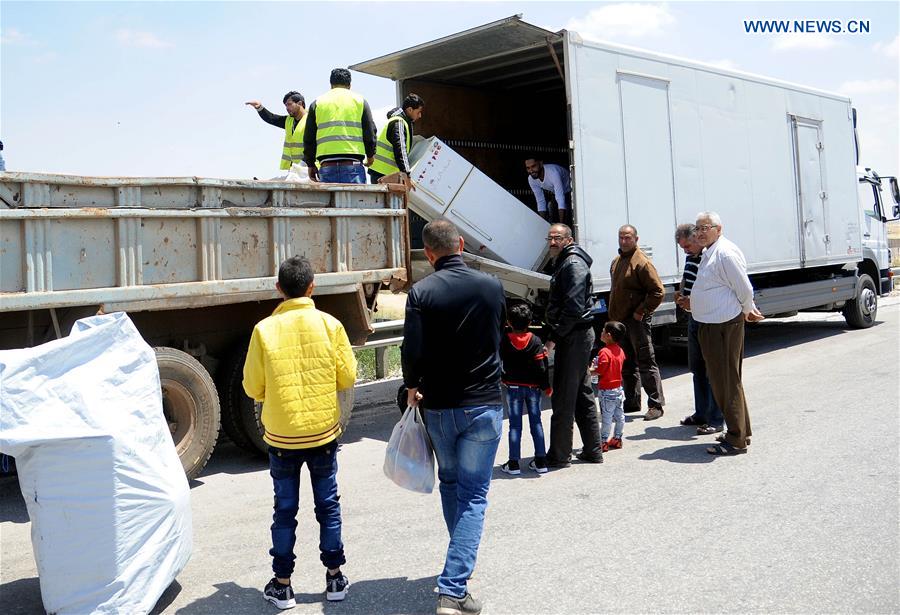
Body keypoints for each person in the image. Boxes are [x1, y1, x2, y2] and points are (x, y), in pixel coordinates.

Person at [401, 218, 505, 615]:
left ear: (428, 254)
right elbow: (495, 339)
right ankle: (454, 588)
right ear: (461, 244)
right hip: (483, 404)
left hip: (440, 406)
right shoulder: (491, 286)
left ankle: (458, 565)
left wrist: (412, 386)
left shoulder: (421, 292)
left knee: (451, 483)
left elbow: (412, 350)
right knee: (475, 493)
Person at [242, 256, 357, 609]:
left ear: (278, 289)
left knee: (284, 509)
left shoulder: (263, 330)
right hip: (323, 433)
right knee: (328, 506)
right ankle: (335, 577)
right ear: (312, 287)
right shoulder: (331, 325)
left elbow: (252, 387)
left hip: (281, 437)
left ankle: (282, 584)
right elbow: (348, 377)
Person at [688, 212, 764, 456]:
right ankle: (740, 431)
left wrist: (747, 309)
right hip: (712, 324)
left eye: (705, 228)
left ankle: (735, 440)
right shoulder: (710, 251)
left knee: (725, 382)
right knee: (726, 380)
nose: (699, 233)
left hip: (722, 325)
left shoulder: (725, 253)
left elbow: (743, 287)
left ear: (718, 229)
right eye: (697, 228)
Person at [543, 223, 604, 467]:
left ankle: (559, 455)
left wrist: (553, 337)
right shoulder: (566, 262)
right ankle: (593, 449)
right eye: (549, 238)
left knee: (564, 398)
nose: (552, 242)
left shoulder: (573, 264)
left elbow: (574, 308)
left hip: (574, 337)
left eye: (557, 238)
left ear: (569, 239)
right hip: (575, 335)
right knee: (581, 394)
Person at [608, 224, 666, 420]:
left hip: (636, 322)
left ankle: (656, 404)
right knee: (627, 364)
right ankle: (632, 402)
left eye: (628, 238)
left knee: (646, 362)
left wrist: (640, 311)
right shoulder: (617, 261)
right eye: (621, 237)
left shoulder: (641, 262)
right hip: (621, 322)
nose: (624, 241)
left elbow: (658, 291)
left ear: (636, 239)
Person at [674, 223, 724, 435]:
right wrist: (681, 294)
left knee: (712, 370)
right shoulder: (691, 257)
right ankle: (701, 412)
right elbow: (689, 281)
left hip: (708, 319)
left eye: (687, 245)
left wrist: (693, 301)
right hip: (694, 317)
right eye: (682, 247)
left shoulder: (709, 258)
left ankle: (716, 418)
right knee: (697, 369)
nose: (685, 250)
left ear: (697, 239)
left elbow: (712, 291)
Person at [499, 303, 551, 476]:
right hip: (533, 389)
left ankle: (513, 463)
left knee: (515, 426)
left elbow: (497, 362)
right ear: (529, 322)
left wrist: (502, 378)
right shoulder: (535, 340)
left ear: (508, 322)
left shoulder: (504, 340)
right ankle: (541, 461)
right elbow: (541, 366)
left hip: (513, 387)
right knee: (536, 423)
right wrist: (546, 386)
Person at [303, 68, 377, 184]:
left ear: (331, 84)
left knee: (330, 202)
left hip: (327, 166)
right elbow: (370, 132)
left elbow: (309, 137)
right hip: (353, 165)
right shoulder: (360, 101)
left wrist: (310, 163)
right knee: (357, 201)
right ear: (349, 85)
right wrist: (371, 155)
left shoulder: (317, 103)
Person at [368, 93, 425, 189]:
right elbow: (400, 150)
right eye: (418, 112)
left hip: (384, 174)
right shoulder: (399, 122)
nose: (420, 115)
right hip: (382, 175)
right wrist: (407, 176)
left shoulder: (402, 122)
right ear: (410, 110)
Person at [245, 91, 308, 170]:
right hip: (295, 168)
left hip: (309, 167)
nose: (287, 108)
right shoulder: (288, 121)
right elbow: (271, 118)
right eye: (285, 105)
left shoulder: (311, 120)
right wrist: (259, 107)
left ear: (300, 103)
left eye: (289, 104)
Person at [590, 320, 627, 453]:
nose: (601, 333)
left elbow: (600, 370)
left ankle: (603, 441)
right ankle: (617, 438)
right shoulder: (620, 350)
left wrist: (589, 371)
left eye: (603, 331)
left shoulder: (604, 351)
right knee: (620, 416)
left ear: (609, 335)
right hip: (618, 389)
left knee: (606, 418)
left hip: (606, 391)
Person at [525, 157, 572, 227]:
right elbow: (540, 201)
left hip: (571, 190)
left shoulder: (553, 173)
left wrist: (562, 226)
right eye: (528, 168)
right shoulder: (531, 179)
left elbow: (560, 198)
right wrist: (542, 224)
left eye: (533, 166)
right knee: (553, 218)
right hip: (556, 192)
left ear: (540, 164)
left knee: (568, 219)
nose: (531, 170)